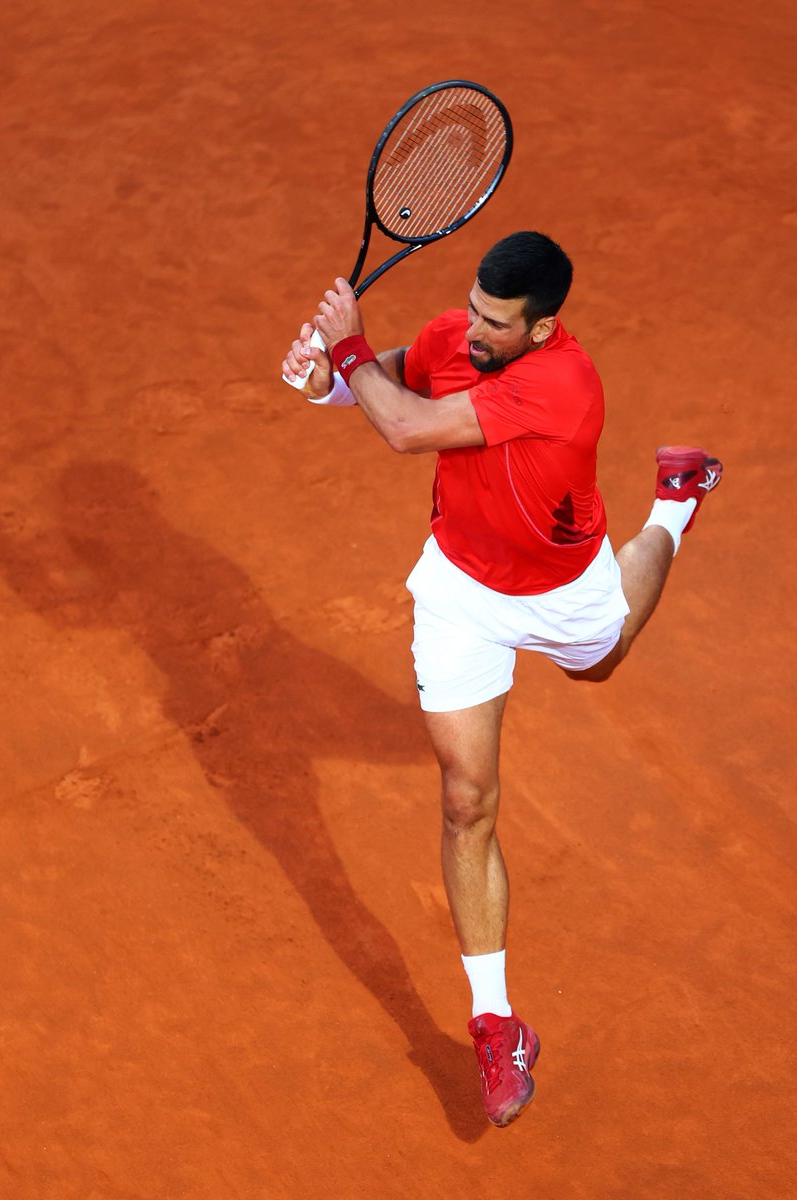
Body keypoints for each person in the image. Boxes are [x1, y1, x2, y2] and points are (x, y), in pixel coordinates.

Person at [281, 231, 721, 1127]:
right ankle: (496, 1023)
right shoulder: (459, 335)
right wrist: (324, 374)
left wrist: (349, 347)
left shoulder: (564, 384)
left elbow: (404, 427)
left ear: (545, 325)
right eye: (473, 310)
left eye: (495, 322)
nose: (473, 330)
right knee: (466, 800)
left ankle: (673, 506)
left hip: (561, 589)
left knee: (604, 659)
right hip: (461, 590)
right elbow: (395, 381)